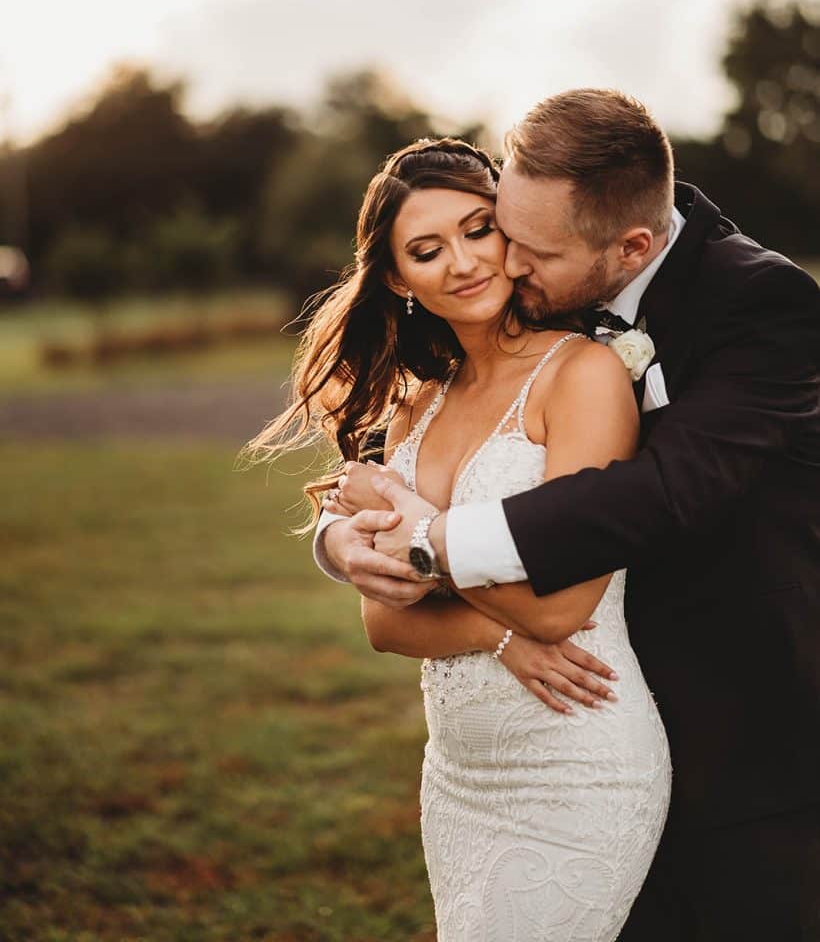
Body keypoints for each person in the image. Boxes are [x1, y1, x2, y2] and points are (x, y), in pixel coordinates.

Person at [320, 90, 820, 941]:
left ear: (631, 248)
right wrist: (341, 541)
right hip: (495, 757)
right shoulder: (558, 283)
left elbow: (656, 496)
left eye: (513, 243)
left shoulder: (756, 304)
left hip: (745, 720)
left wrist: (420, 535)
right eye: (495, 230)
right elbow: (383, 604)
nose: (503, 264)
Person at [253, 136, 672, 941]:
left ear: (510, 233)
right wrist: (496, 635)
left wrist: (417, 530)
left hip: (578, 761)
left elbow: (565, 608)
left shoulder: (582, 375)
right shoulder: (415, 411)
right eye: (425, 249)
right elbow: (384, 625)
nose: (463, 261)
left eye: (478, 229)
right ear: (396, 279)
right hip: (459, 776)